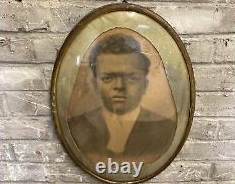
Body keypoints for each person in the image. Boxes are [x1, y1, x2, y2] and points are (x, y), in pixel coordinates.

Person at [68, 34, 176, 164]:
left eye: (131, 78)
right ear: (95, 85)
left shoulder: (166, 129)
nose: (119, 86)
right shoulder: (77, 126)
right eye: (108, 78)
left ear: (145, 85)